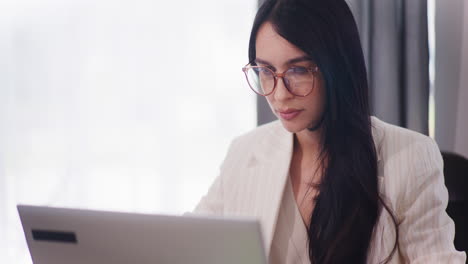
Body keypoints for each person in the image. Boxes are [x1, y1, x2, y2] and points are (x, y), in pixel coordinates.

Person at [193, 0, 467, 263]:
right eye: (265, 70)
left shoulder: (410, 156)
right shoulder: (245, 152)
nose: (278, 94)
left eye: (297, 70)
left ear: (337, 66)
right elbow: (188, 244)